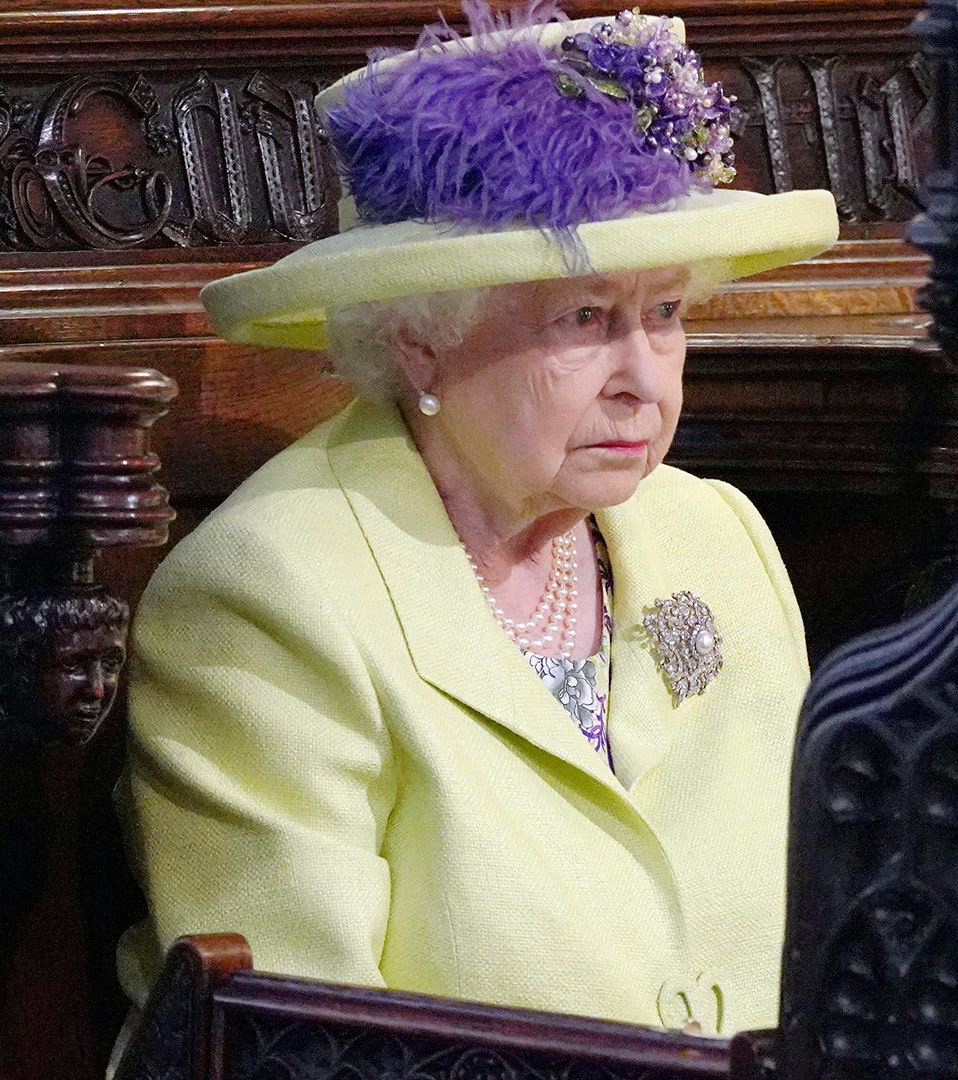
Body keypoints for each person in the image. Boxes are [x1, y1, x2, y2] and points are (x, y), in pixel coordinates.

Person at [115, 3, 838, 1035]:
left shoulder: (716, 535)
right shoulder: (267, 596)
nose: (644, 378)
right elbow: (300, 1047)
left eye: (665, 313)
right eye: (585, 318)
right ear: (420, 343)